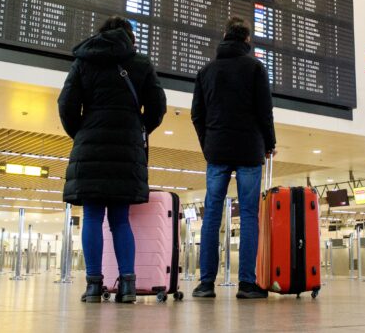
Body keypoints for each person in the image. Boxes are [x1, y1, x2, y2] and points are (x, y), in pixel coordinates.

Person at [58, 16, 166, 303]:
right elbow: (158, 106)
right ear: (129, 37)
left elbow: (66, 104)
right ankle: (128, 285)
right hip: (125, 149)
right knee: (120, 219)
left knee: (92, 216)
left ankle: (94, 285)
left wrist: (81, 131)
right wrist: (139, 127)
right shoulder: (140, 63)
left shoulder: (83, 61)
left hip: (91, 146)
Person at [190, 16, 276, 299]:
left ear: (225, 35)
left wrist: (208, 145)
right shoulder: (255, 68)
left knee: (212, 215)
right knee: (250, 215)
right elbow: (265, 111)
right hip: (249, 150)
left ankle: (205, 284)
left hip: (217, 150)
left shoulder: (206, 71)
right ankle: (247, 284)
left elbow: (197, 115)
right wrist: (269, 143)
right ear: (247, 40)